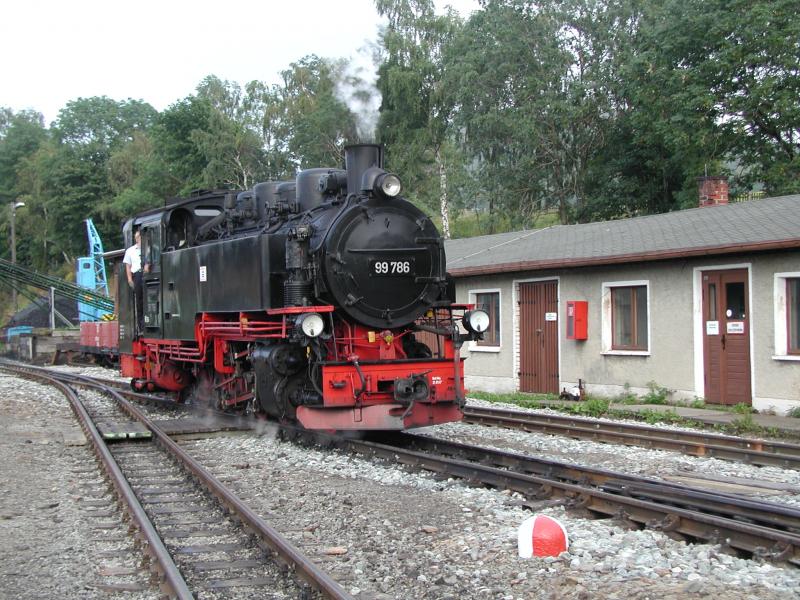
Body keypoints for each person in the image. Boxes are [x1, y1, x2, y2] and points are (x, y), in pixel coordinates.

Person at [123, 230, 148, 335]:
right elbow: (128, 266)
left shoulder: (149, 249)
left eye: (141, 237)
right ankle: (141, 326)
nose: (139, 239)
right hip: (137, 274)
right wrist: (129, 279)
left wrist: (147, 265)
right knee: (139, 300)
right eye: (138, 237)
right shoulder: (130, 251)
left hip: (147, 274)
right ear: (136, 239)